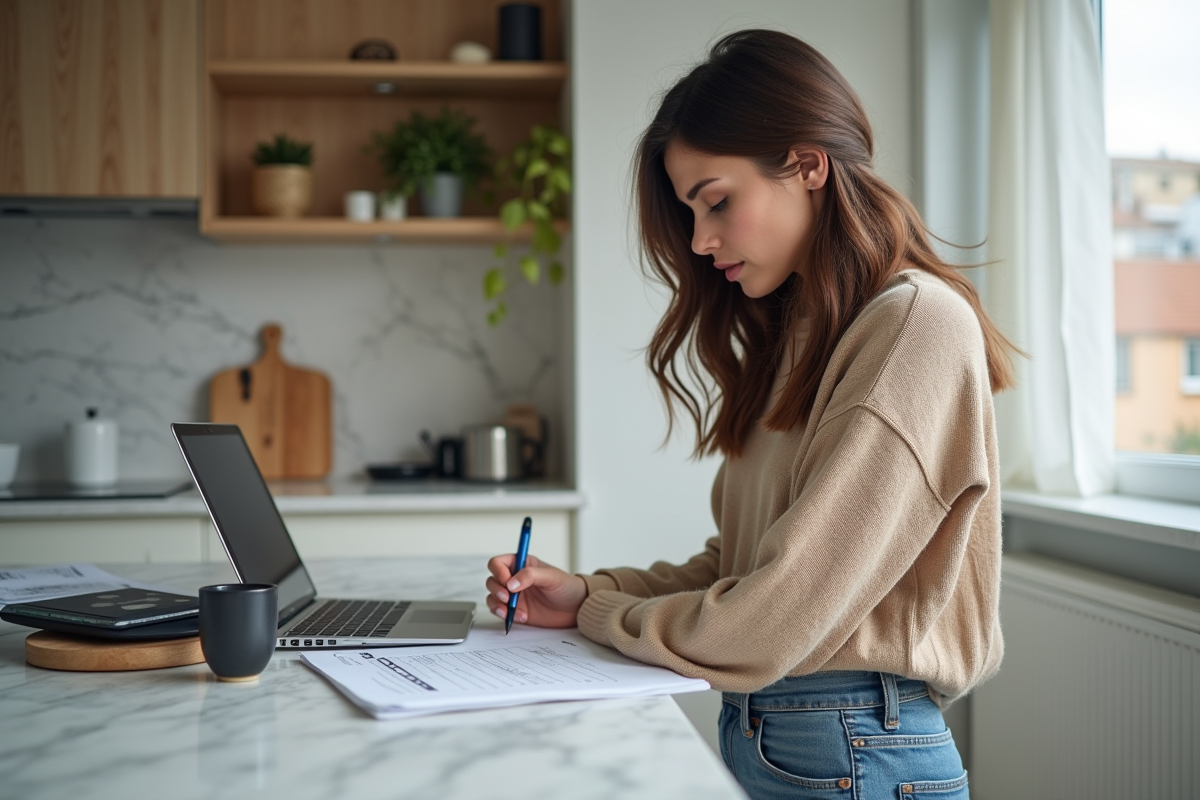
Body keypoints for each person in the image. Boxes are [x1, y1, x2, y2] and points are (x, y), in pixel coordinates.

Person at [486, 29, 1016, 800]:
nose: (700, 242)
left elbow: (773, 615)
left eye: (717, 202)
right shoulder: (809, 330)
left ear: (806, 165)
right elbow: (746, 569)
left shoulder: (913, 326)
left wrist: (604, 612)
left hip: (854, 746)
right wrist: (589, 592)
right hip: (795, 735)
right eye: (689, 213)